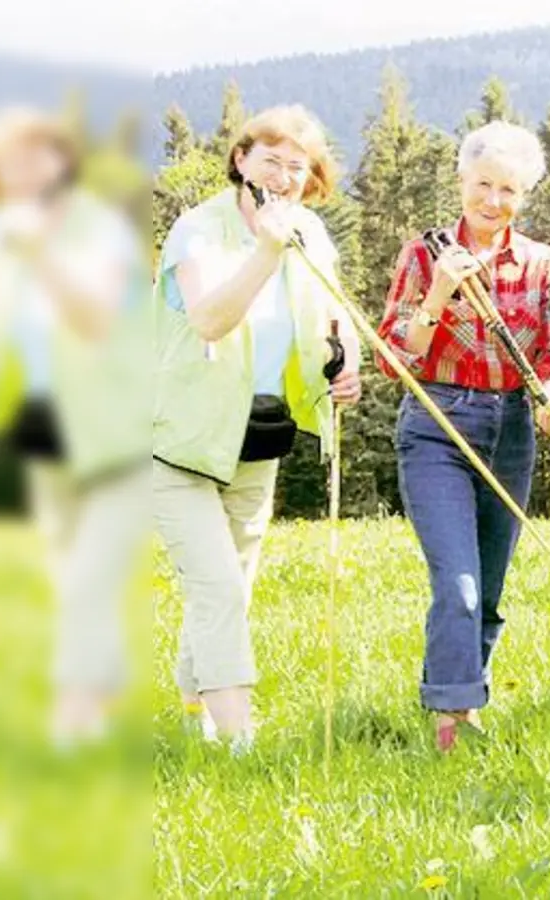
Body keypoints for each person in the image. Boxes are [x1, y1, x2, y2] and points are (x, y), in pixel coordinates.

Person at [153, 105, 362, 746]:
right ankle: (240, 742)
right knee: (217, 588)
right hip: (179, 441)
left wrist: (348, 365)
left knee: (231, 588)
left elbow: (336, 313)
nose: (284, 175)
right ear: (241, 160)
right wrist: (268, 252)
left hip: (256, 436)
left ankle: (194, 719)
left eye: (298, 166)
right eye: (271, 160)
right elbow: (210, 320)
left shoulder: (310, 233)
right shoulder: (199, 230)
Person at [376, 121, 550, 751]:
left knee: (488, 589)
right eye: (484, 184)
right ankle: (451, 721)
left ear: (525, 195)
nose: (494, 200)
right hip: (437, 424)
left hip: (511, 428)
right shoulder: (423, 255)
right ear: (462, 179)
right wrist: (439, 292)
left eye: (509, 190)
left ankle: (464, 697)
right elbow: (393, 357)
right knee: (458, 586)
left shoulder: (542, 264)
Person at [0, 106, 147, 745]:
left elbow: (96, 317)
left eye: (36, 156)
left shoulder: (100, 228)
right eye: (10, 162)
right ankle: (100, 691)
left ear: (62, 162)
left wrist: (41, 253)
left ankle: (76, 719)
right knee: (69, 572)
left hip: (114, 424)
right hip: (42, 420)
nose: (23, 171)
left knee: (90, 572)